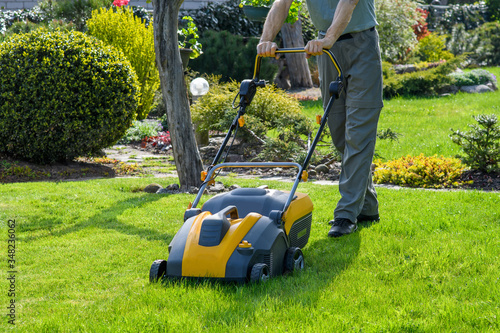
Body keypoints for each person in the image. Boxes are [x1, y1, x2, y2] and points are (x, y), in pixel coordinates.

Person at [257, 0, 383, 237]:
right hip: (327, 50)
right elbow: (282, 3)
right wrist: (266, 39)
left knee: (358, 133)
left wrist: (329, 38)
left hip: (361, 45)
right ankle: (367, 207)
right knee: (338, 132)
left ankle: (345, 214)